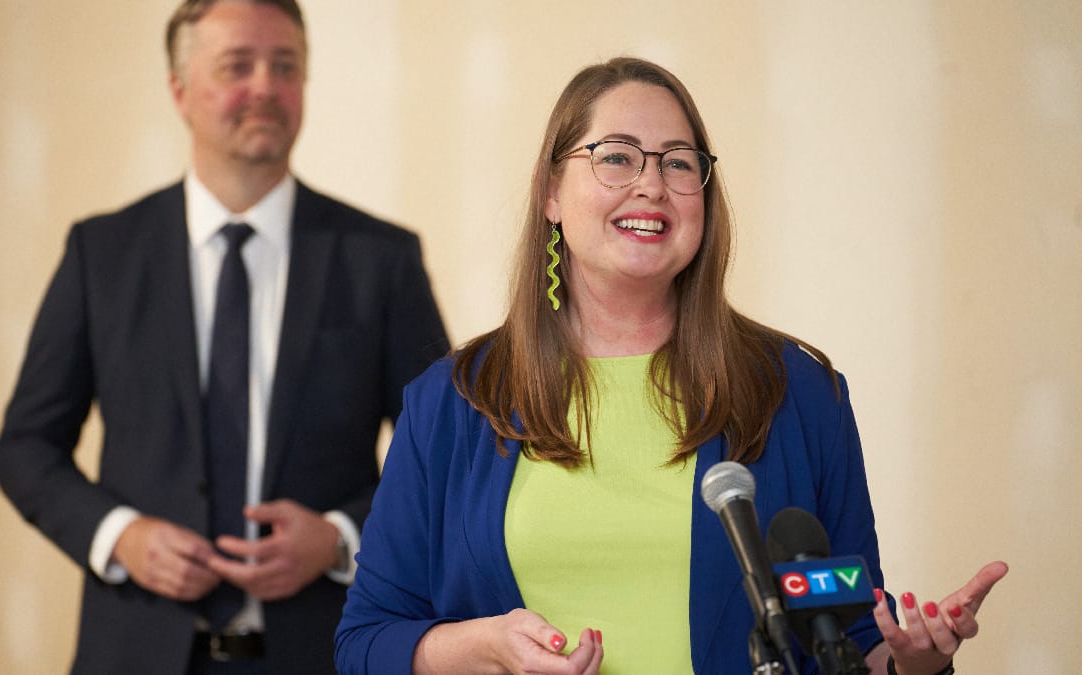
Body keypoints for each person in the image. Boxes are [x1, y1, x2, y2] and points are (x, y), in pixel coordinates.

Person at [334, 57, 1007, 674]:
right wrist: (478, 646)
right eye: (617, 157)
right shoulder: (452, 401)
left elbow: (852, 638)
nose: (652, 185)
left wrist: (916, 659)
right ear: (550, 192)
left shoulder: (800, 393)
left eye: (680, 164)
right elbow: (366, 640)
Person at [0, 0, 448, 673]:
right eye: (238, 65)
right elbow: (26, 447)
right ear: (179, 91)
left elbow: (441, 455)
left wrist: (339, 537)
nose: (265, 85)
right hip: (136, 651)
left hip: (322, 650)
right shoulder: (103, 255)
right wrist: (121, 536)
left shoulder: (380, 258)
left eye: (285, 66)